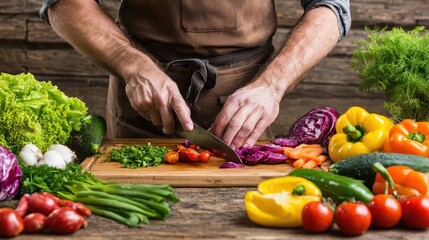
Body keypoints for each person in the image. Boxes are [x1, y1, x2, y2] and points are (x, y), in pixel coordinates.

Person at [40, 0, 351, 149]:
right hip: (142, 110)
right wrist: (132, 64)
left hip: (245, 117)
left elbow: (331, 7)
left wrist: (271, 85)